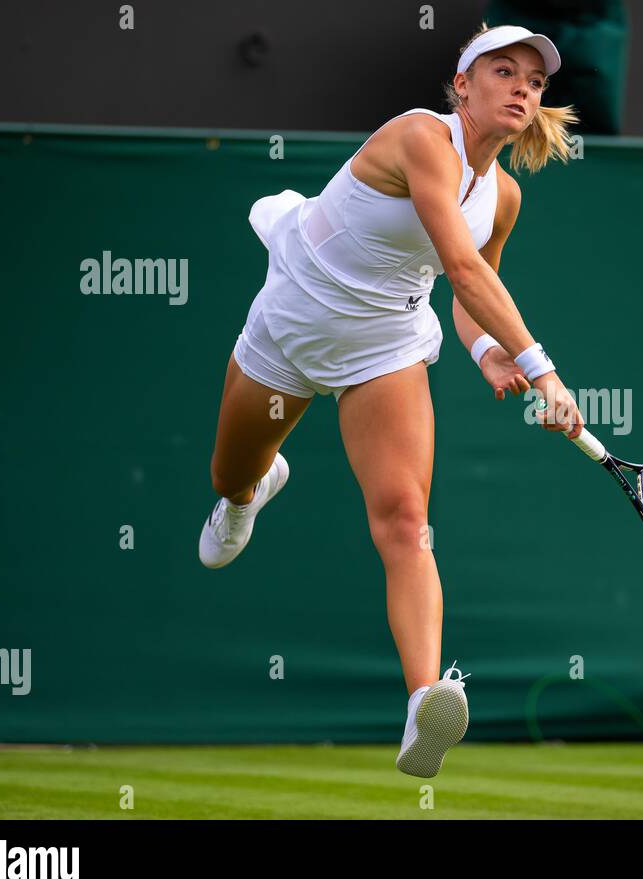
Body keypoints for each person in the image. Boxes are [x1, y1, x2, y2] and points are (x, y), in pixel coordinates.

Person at [198, 23, 585, 777]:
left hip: (385, 349)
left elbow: (469, 296)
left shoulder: (501, 196)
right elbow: (466, 270)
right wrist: (546, 373)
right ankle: (249, 490)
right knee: (228, 472)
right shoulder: (418, 136)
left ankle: (422, 702)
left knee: (407, 521)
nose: (522, 89)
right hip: (291, 327)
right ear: (462, 84)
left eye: (534, 82)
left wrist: (486, 350)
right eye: (503, 71)